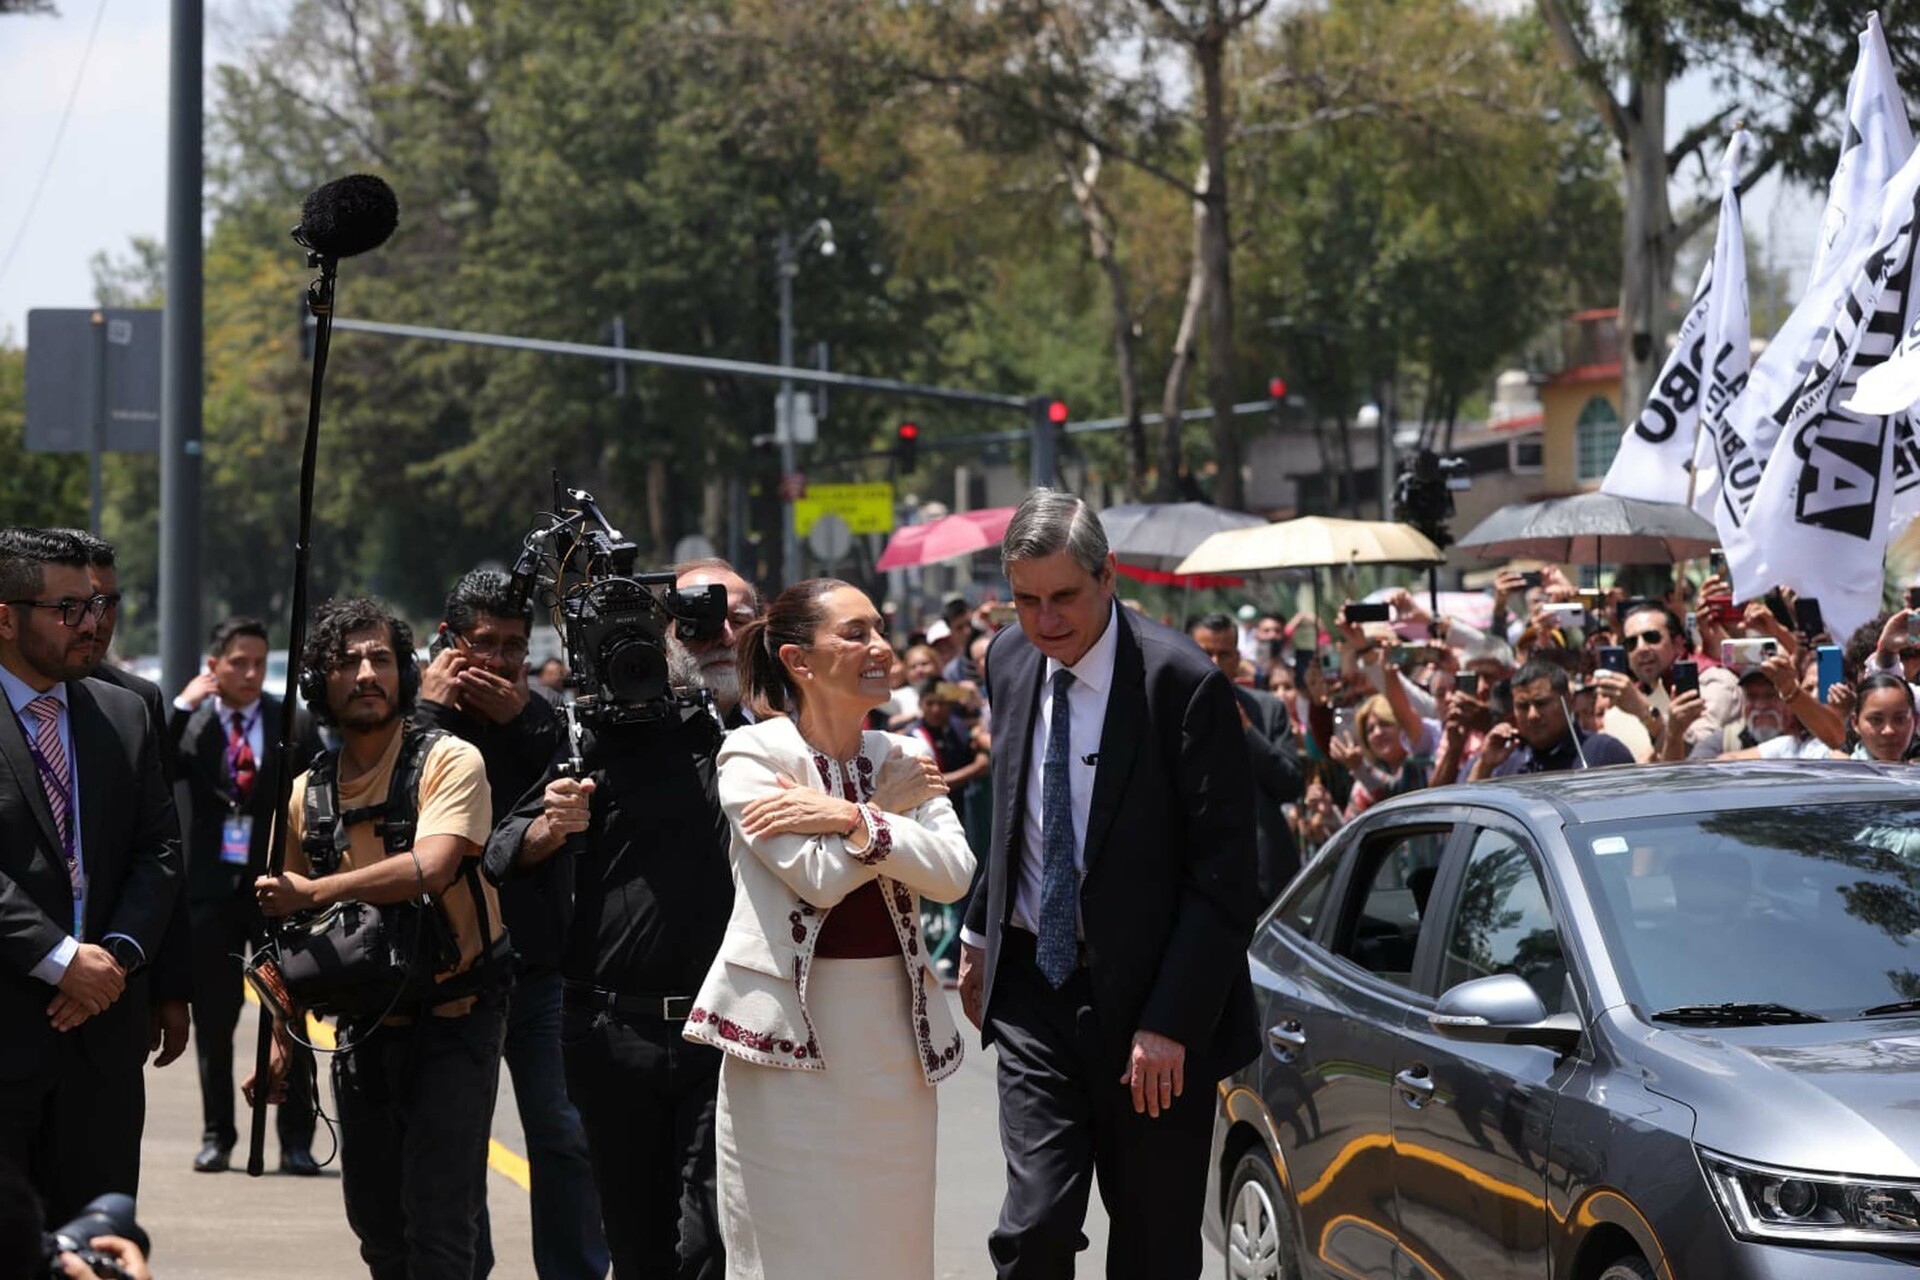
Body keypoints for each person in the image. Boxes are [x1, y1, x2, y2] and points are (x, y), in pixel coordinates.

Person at [957, 490, 1260, 1280]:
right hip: (1034, 993)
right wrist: (980, 932)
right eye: (1026, 600)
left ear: (1108, 576)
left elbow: (1224, 878)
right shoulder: (1009, 660)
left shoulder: (1180, 683)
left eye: (1064, 597)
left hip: (1150, 1010)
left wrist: (1169, 1023)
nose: (1045, 620)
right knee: (1034, 1232)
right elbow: (1016, 809)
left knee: (1155, 1251)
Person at [683, 577, 973, 1280]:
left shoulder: (898, 755)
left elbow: (954, 873)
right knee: (786, 1253)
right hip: (786, 1052)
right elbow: (817, 882)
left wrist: (847, 816)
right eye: (855, 633)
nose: (879, 646)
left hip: (892, 1051)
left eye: (879, 628)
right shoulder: (751, 756)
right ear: (798, 660)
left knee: (892, 1252)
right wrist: (882, 816)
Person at [484, 557, 761, 1280]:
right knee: (637, 1250)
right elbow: (501, 849)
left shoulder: (768, 739)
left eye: (735, 616)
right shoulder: (589, 735)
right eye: (700, 618)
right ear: (657, 631)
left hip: (726, 1035)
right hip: (612, 1038)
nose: (719, 634)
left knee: (709, 1245)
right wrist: (550, 828)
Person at [252, 597, 506, 1280]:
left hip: (457, 1022)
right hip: (362, 1032)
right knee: (376, 1226)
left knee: (439, 1223)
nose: (366, 673)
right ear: (318, 684)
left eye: (381, 659)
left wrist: (320, 890)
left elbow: (434, 865)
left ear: (405, 673)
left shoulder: (449, 761)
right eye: (347, 661)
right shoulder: (306, 795)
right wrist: (281, 1044)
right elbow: (286, 938)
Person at [412, 570, 606, 1280]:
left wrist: (525, 716)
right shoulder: (418, 716)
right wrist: (431, 716)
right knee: (458, 1137)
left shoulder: (547, 715)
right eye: (481, 644)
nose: (495, 662)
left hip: (539, 962)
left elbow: (564, 793)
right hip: (445, 967)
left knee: (561, 1130)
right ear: (447, 641)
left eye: (512, 646)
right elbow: (403, 819)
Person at [0, 528, 182, 1226]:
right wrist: (58, 959)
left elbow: (160, 850)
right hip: (11, 1027)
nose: (93, 624)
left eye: (101, 605)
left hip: (103, 1040)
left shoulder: (124, 714)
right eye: (68, 609)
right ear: (8, 617)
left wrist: (118, 957)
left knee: (98, 1245)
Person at [169, 615, 323, 1175]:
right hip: (211, 890)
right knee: (214, 1017)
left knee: (289, 1010)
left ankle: (297, 1140)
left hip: (273, 887)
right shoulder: (194, 724)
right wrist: (183, 705)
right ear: (215, 666)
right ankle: (218, 1135)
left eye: (259, 662)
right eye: (239, 662)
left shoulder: (292, 721)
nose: (252, 673)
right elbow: (158, 769)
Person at [1188, 612, 1303, 900]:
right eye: (1205, 653)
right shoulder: (1168, 710)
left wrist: (1248, 732)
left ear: (1237, 657)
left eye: (1223, 654)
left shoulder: (1267, 710)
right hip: (1195, 877)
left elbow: (1289, 784)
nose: (1213, 663)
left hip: (1263, 880)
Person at [1470, 659, 1635, 778]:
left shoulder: (1603, 753)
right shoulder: (1504, 759)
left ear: (1569, 701)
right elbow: (1466, 816)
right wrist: (1484, 766)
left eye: (1541, 703)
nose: (1532, 715)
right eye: (1523, 706)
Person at [1843, 671, 1917, 762]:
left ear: (1915, 722)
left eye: (1900, 719)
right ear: (1855, 723)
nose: (1889, 731)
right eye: (1876, 720)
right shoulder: (1833, 774)